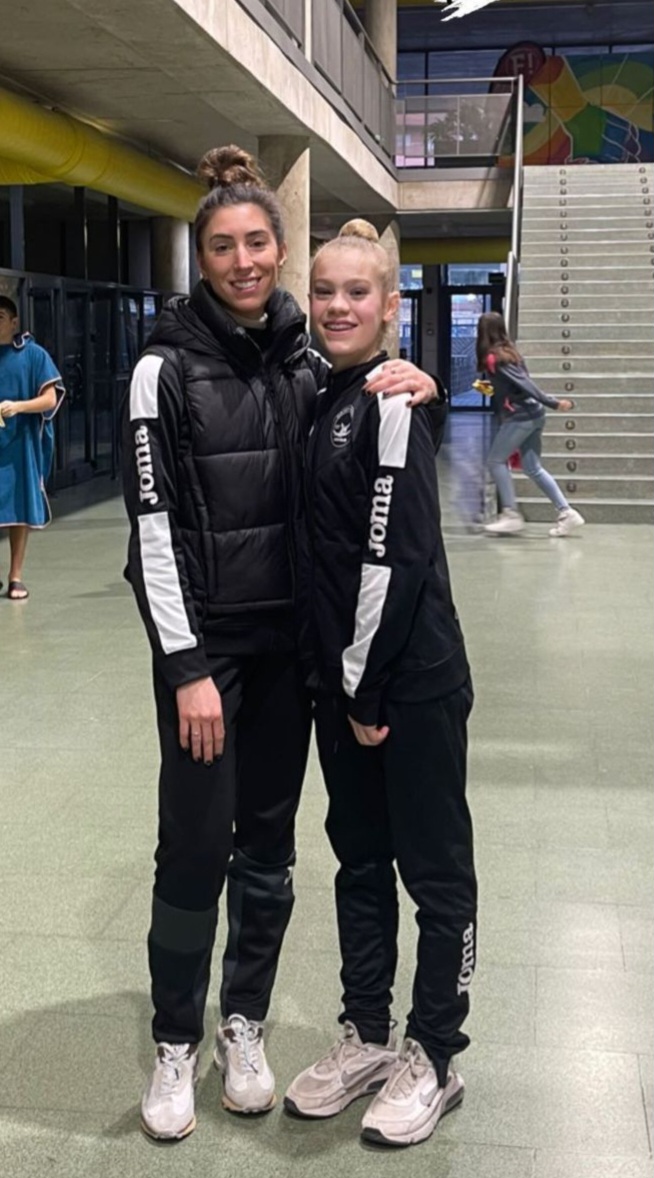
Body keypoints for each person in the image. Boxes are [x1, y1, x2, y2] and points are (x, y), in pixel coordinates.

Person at [121, 146, 438, 1142]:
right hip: (207, 660)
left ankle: (244, 1022)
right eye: (223, 246)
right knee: (192, 847)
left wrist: (413, 376)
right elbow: (153, 530)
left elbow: (364, 428)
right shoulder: (162, 369)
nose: (244, 260)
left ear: (281, 247)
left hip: (290, 657)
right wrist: (186, 667)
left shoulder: (307, 364)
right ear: (201, 256)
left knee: (267, 847)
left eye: (258, 242)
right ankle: (178, 1038)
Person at [284, 221, 476, 1149]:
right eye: (324, 291)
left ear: (390, 305)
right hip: (343, 685)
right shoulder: (321, 393)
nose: (337, 306)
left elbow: (387, 562)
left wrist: (363, 694)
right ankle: (366, 1033)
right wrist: (337, 686)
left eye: (357, 292)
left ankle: (435, 1053)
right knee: (359, 862)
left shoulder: (391, 402)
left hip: (409, 687)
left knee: (434, 872)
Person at [476, 312, 585, 537]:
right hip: (533, 414)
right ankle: (566, 512)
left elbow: (525, 384)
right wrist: (493, 388)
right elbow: (517, 384)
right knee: (532, 467)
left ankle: (510, 514)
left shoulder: (495, 357)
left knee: (496, 461)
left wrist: (553, 402)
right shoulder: (510, 352)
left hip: (520, 417)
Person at [0, 296, 64, 600]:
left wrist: (19, 406)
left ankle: (15, 576)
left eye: (0, 317)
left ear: (14, 322)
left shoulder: (33, 355)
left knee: (19, 508)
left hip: (20, 445)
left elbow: (50, 399)